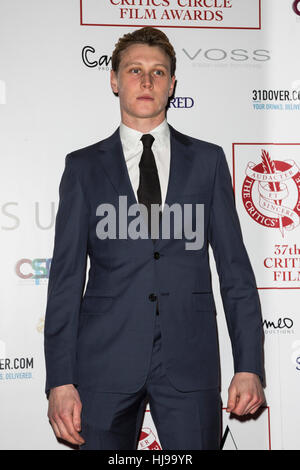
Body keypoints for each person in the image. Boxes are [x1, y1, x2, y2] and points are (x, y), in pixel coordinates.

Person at [44, 26, 265, 450]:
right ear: (114, 80)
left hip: (190, 361)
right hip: (103, 363)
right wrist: (60, 379)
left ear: (172, 84)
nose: (146, 81)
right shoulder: (83, 168)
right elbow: (66, 280)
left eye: (158, 72)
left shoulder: (208, 161)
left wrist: (249, 365)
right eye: (134, 70)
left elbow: (235, 271)